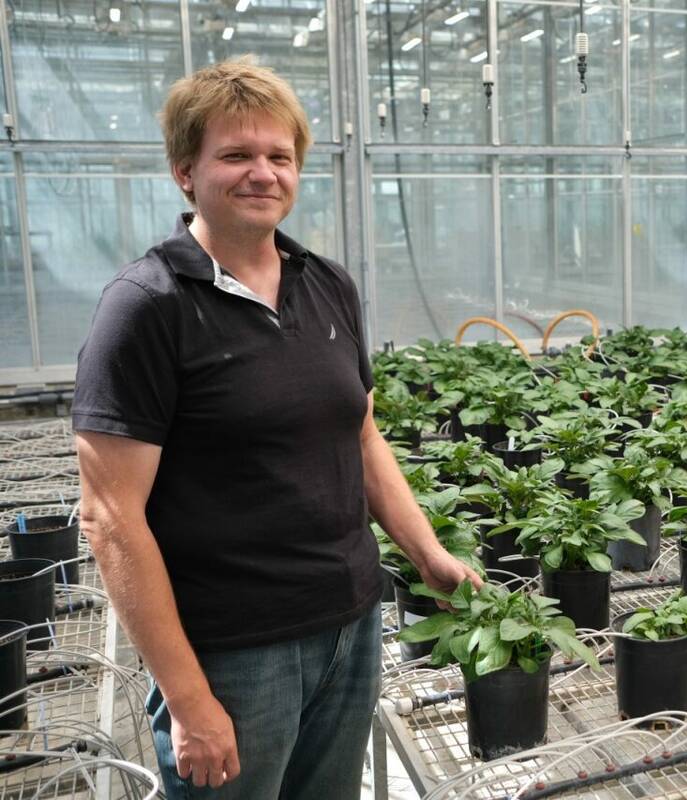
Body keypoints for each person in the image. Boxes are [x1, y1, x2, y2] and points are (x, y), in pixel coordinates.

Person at [72, 57, 480, 798]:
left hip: (350, 626)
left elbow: (360, 437)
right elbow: (109, 518)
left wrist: (427, 554)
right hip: (231, 652)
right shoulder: (147, 306)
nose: (262, 172)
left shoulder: (326, 283)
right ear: (185, 172)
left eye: (278, 156)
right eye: (235, 155)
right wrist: (191, 701)